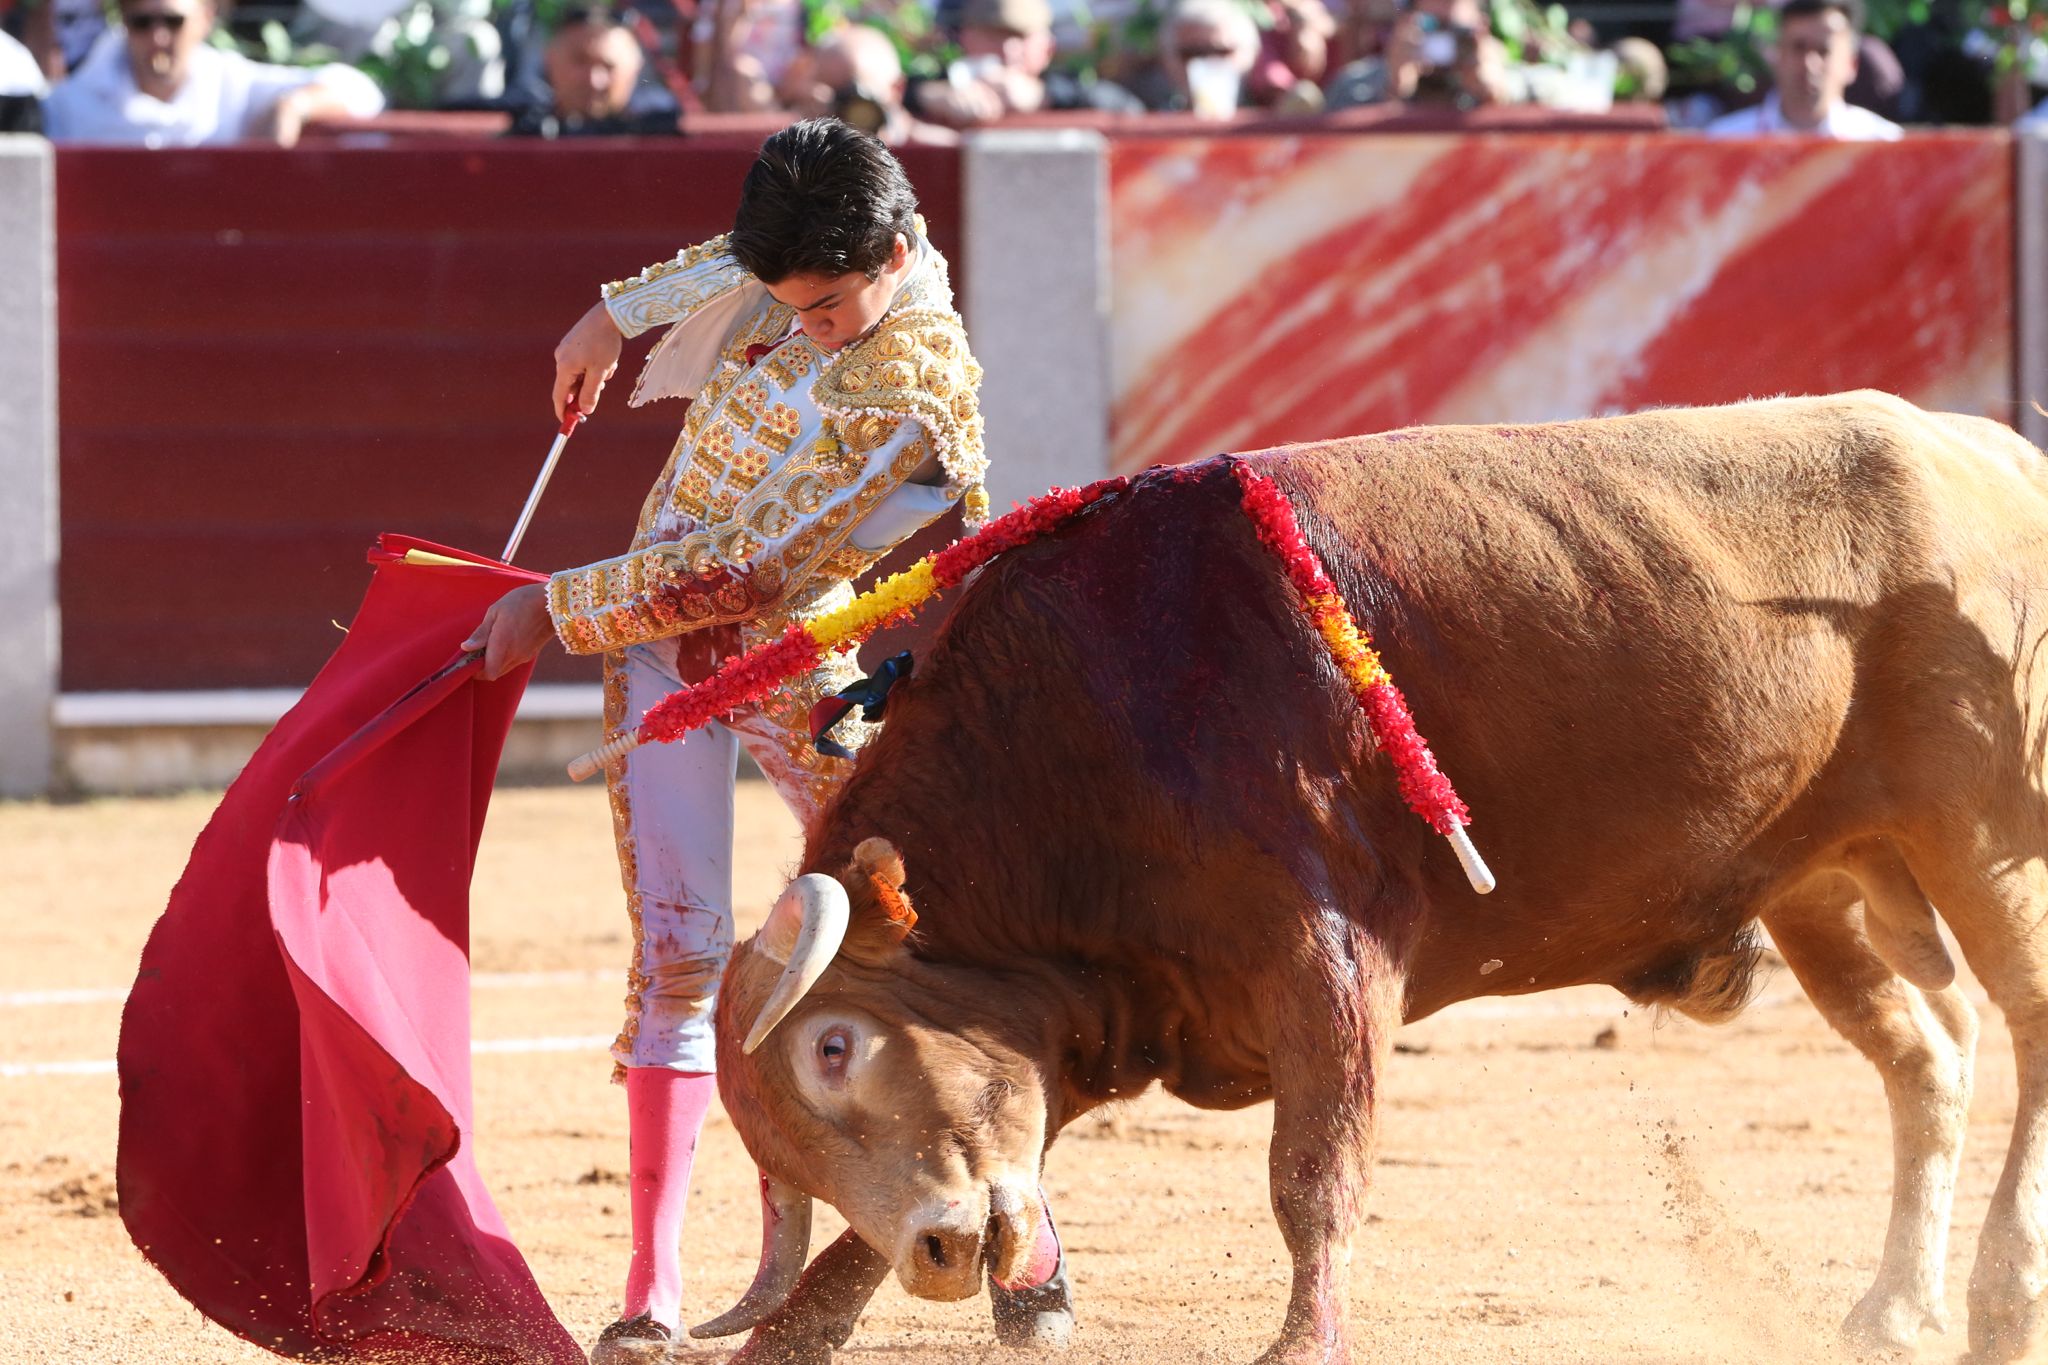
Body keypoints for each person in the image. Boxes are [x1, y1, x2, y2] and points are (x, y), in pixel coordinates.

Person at [461, 118, 1071, 1362]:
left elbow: (749, 570)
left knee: (940, 942)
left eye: (831, 307)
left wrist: (554, 605)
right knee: (677, 960)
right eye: (789, 301)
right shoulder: (811, 267)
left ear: (895, 257)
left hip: (803, 670)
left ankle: (1030, 1239)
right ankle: (654, 1288)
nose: (806, 326)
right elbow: (734, 267)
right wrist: (611, 315)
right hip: (654, 651)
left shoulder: (918, 383)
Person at [40, 0, 383, 145]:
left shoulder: (231, 82)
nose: (158, 37)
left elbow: (361, 90)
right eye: (142, 22)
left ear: (205, 20)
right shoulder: (70, 104)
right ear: (125, 24)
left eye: (173, 21)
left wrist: (295, 107)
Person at [913, 0, 1143, 126]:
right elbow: (889, 100)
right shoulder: (939, 84)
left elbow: (1129, 112)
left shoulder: (1068, 91)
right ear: (964, 38)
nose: (1008, 50)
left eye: (1021, 37)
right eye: (995, 34)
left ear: (1048, 48)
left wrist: (1041, 96)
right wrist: (928, 95)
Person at [1705, 0, 1902, 138]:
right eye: (1799, 47)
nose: (1810, 63)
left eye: (1824, 51)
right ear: (1776, 56)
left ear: (1851, 64)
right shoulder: (1724, 142)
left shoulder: (1882, 144)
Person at [506, 6, 678, 137]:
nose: (594, 80)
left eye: (609, 66)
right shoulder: (520, 139)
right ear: (549, 60)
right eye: (579, 62)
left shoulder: (665, 140)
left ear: (635, 68)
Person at [781, 23, 961, 145]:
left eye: (859, 92)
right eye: (837, 94)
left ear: (897, 89)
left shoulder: (940, 151)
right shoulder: (794, 157)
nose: (847, 108)